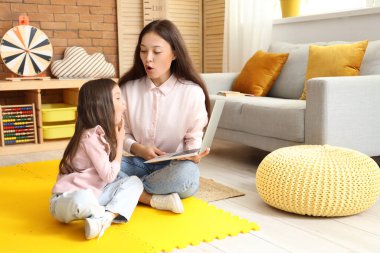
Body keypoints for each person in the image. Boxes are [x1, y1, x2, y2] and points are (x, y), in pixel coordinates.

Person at [118, 19, 211, 214]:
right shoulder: (127, 89)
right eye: (143, 51)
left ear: (174, 54)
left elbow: (193, 139)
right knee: (92, 166)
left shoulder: (192, 92)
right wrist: (138, 148)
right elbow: (121, 133)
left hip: (174, 167)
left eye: (156, 51)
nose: (148, 59)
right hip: (138, 163)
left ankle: (120, 189)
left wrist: (193, 154)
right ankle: (149, 198)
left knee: (186, 177)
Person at [49, 79, 143, 240]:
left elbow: (107, 177)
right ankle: (101, 214)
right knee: (83, 197)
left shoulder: (100, 134)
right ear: (102, 105)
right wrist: (120, 141)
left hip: (95, 195)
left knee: (134, 182)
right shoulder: (90, 137)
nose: (124, 105)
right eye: (118, 98)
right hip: (66, 201)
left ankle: (105, 219)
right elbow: (109, 175)